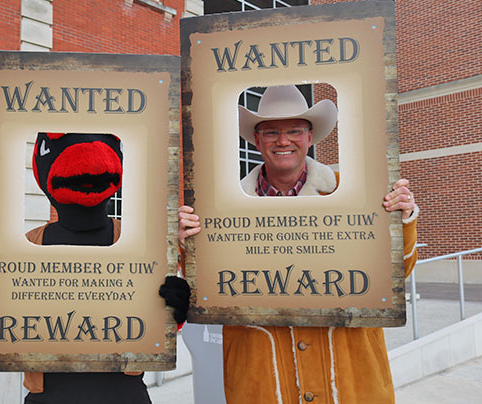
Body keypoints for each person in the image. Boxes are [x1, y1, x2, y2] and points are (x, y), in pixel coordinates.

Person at [178, 85, 419, 403]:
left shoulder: (358, 195)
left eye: (294, 130)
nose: (283, 141)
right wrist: (186, 247)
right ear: (256, 139)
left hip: (350, 380)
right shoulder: (217, 209)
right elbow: (205, 291)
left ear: (310, 137)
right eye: (271, 132)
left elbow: (394, 274)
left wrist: (402, 217)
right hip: (263, 382)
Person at [0, 133, 190, 404]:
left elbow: (162, 325)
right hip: (51, 394)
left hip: (124, 392)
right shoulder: (25, 246)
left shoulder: (140, 243)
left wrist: (174, 308)